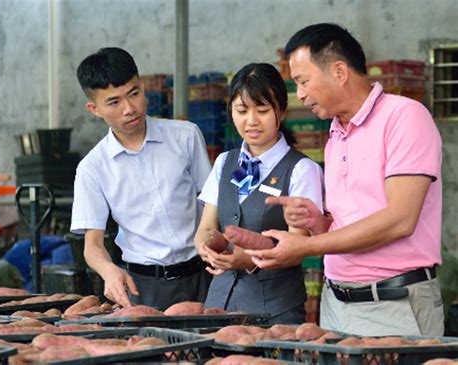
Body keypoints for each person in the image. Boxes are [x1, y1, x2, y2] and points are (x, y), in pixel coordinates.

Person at [244, 23, 444, 336]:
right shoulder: (336, 135)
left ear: (339, 71)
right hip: (336, 302)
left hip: (394, 302)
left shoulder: (405, 117)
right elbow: (349, 226)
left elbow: (400, 220)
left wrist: (306, 247)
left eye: (303, 81)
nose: (301, 94)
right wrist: (317, 222)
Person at [70, 47, 212, 309]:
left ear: (143, 86)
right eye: (114, 102)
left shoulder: (186, 136)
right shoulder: (92, 167)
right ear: (94, 108)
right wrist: (108, 270)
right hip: (145, 286)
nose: (129, 108)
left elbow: (210, 205)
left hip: (206, 275)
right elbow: (92, 245)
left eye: (134, 93)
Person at [195, 63, 324, 324]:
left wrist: (248, 260)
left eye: (262, 111)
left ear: (282, 111)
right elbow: (206, 226)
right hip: (219, 308)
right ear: (231, 111)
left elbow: (299, 246)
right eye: (242, 110)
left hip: (275, 312)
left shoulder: (301, 170)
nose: (251, 121)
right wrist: (206, 247)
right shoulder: (225, 162)